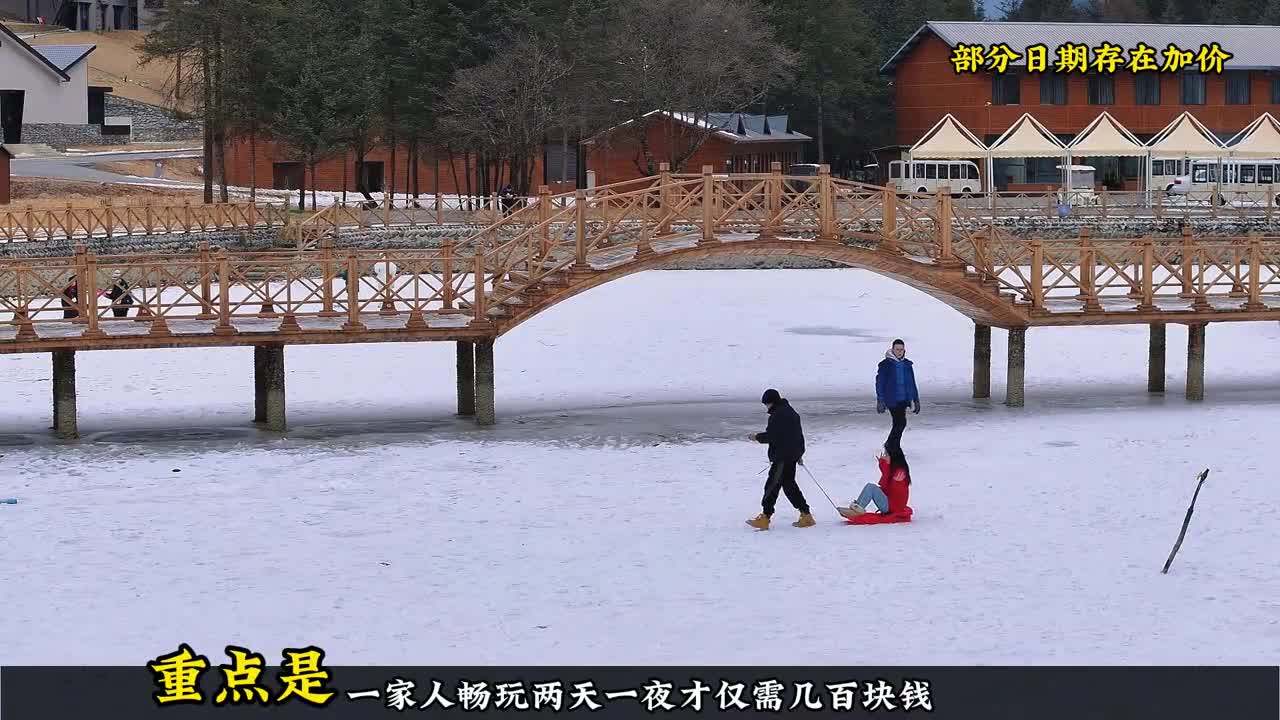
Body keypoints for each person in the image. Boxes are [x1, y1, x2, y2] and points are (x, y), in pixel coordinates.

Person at [746, 388, 814, 530]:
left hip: (782, 457)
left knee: (772, 486)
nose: (766, 407)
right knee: (789, 486)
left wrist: (756, 437)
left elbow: (772, 436)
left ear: (771, 402)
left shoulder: (778, 415)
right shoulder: (791, 412)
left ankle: (765, 517)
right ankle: (806, 515)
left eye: (767, 404)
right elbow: (798, 436)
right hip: (791, 455)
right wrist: (799, 454)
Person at [876, 338, 920, 453]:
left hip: (904, 399)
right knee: (900, 422)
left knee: (900, 423)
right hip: (892, 399)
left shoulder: (907, 364)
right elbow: (880, 383)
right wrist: (880, 400)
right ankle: (891, 446)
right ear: (892, 349)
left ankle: (892, 446)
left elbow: (912, 382)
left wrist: (915, 399)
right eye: (897, 349)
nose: (899, 352)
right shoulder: (885, 364)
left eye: (901, 349)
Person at [843, 446, 911, 517]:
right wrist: (884, 465)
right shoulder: (892, 469)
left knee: (871, 487)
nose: (884, 456)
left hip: (892, 507)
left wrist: (896, 482)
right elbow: (884, 485)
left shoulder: (899, 472)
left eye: (886, 455)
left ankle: (857, 510)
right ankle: (857, 507)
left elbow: (895, 491)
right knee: (870, 487)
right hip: (890, 503)